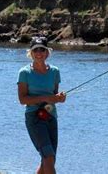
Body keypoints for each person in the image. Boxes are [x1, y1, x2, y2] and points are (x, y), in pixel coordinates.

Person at [17, 36, 66, 174]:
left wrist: (59, 98)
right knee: (48, 157)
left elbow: (54, 95)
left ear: (47, 53)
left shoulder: (55, 71)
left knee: (49, 159)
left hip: (51, 116)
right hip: (34, 117)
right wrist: (45, 98)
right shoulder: (24, 73)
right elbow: (22, 100)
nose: (39, 53)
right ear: (30, 53)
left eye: (42, 50)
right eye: (35, 50)